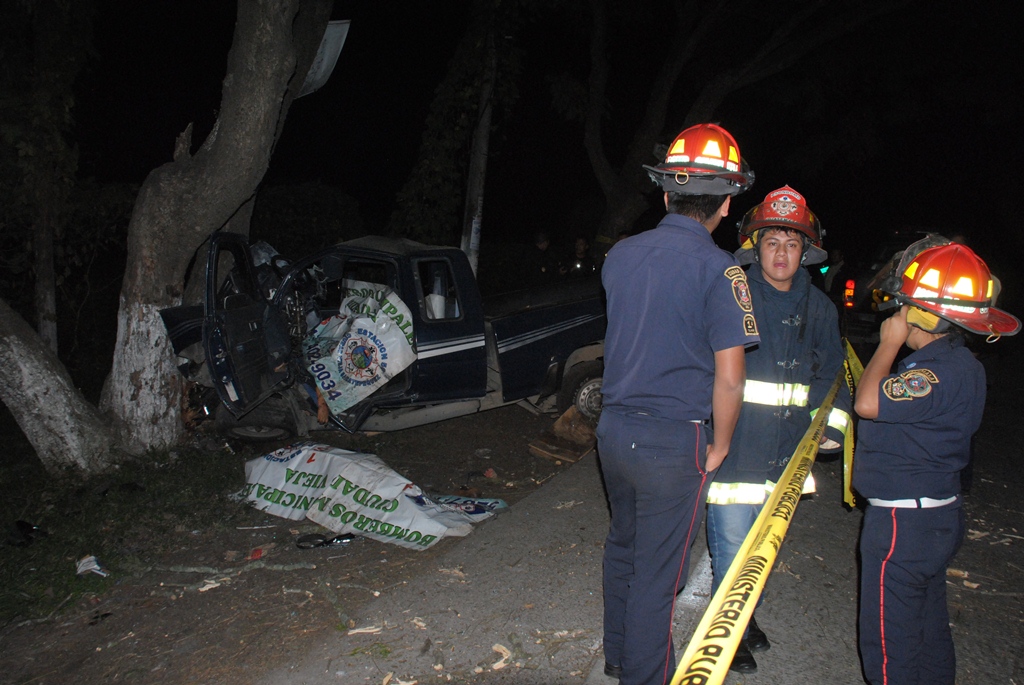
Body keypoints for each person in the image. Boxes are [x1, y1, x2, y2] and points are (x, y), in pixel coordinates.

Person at [597, 122, 759, 685]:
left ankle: (616, 653)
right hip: (672, 441)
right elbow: (730, 378)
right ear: (727, 203)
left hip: (613, 432)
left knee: (624, 545)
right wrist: (721, 444)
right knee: (658, 574)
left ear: (667, 193)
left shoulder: (619, 256)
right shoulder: (722, 270)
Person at [852, 236, 1020, 685]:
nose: (897, 314)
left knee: (890, 645)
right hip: (939, 516)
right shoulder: (967, 365)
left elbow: (868, 402)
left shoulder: (930, 373)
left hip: (902, 527)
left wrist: (888, 344)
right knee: (927, 631)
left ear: (924, 313)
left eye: (905, 307)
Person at [705, 186, 852, 674]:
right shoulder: (732, 293)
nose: (782, 253)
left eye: (792, 243)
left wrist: (830, 429)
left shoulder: (822, 310)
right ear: (755, 246)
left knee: (764, 550)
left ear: (806, 252)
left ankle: (746, 616)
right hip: (736, 448)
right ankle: (732, 631)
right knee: (731, 546)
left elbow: (833, 373)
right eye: (772, 242)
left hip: (788, 457)